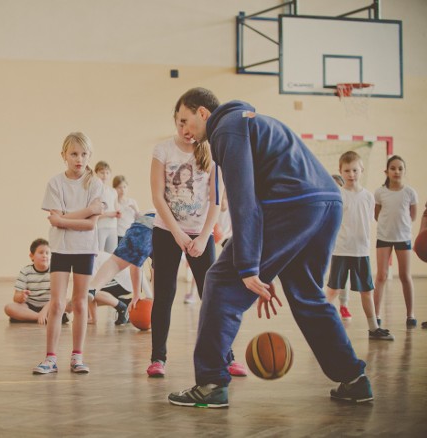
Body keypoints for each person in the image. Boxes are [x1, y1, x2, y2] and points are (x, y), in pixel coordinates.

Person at [168, 87, 371, 408]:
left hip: (294, 205)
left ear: (203, 113)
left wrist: (248, 268)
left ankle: (210, 383)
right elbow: (261, 198)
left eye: (185, 120)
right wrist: (268, 269)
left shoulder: (227, 128)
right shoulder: (251, 120)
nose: (183, 130)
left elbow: (242, 198)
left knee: (221, 281)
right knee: (307, 292)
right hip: (327, 203)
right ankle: (354, 379)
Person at [148, 110, 244, 379]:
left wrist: (203, 237)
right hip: (167, 231)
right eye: (180, 123)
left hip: (200, 233)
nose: (185, 130)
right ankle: (158, 358)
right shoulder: (163, 150)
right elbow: (157, 196)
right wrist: (178, 234)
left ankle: (227, 356)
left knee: (212, 296)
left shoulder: (212, 154)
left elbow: (216, 200)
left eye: (189, 124)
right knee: (164, 296)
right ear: (176, 122)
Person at [33, 132, 104, 375]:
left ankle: (77, 356)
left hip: (85, 249)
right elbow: (56, 222)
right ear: (64, 155)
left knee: (80, 303)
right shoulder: (55, 183)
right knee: (57, 303)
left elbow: (90, 225)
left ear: (89, 156)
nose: (79, 159)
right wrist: (85, 211)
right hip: (62, 248)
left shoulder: (95, 184)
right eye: (73, 154)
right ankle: (50, 358)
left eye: (84, 154)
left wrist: (63, 218)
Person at [325, 152, 393, 340]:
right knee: (333, 291)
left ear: (361, 170)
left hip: (361, 251)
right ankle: (321, 325)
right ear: (341, 171)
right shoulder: (338, 195)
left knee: (366, 291)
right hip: (341, 250)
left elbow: (368, 222)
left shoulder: (369, 197)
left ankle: (373, 328)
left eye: (355, 170)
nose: (351, 174)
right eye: (346, 170)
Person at [373, 155, 418, 328]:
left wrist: (402, 228)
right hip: (384, 237)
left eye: (400, 168)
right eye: (393, 168)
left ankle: (410, 315)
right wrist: (387, 227)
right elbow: (376, 214)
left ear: (404, 171)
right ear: (386, 171)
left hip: (403, 238)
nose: (396, 171)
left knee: (405, 276)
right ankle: (376, 316)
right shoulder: (380, 192)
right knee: (382, 276)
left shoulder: (410, 192)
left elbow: (412, 215)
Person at [4, 238, 54, 324]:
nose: (44, 255)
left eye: (47, 253)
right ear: (31, 256)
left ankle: (33, 317)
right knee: (9, 308)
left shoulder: (55, 272)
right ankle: (40, 317)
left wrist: (45, 310)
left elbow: (59, 296)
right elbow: (16, 298)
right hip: (30, 307)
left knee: (68, 302)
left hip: (49, 305)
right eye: (41, 252)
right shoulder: (25, 272)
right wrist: (21, 296)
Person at [87, 251, 140, 325]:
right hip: (124, 281)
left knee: (90, 292)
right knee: (91, 295)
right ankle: (125, 302)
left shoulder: (88, 260)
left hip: (124, 282)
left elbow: (91, 291)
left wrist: (93, 319)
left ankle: (122, 308)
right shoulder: (89, 256)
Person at [330, 174, 352, 319]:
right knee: (331, 279)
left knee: (344, 277)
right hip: (328, 245)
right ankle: (324, 305)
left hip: (344, 245)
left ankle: (344, 305)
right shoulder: (326, 203)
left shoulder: (347, 204)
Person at [95, 161, 119, 253]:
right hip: (100, 227)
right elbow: (94, 213)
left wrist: (118, 213)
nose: (104, 175)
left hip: (113, 227)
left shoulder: (113, 191)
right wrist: (110, 214)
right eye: (102, 172)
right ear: (96, 173)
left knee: (111, 255)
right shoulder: (95, 191)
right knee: (99, 254)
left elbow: (116, 209)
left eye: (107, 173)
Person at [113, 175, 139, 244]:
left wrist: (135, 210)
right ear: (114, 189)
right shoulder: (114, 202)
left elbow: (139, 219)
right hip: (118, 234)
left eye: (124, 187)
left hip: (130, 234)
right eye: (119, 187)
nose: (122, 190)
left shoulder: (132, 202)